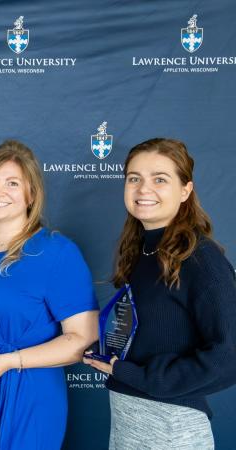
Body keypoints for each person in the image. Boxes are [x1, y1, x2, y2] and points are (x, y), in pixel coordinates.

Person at [0, 140, 98, 450]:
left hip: (27, 394)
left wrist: (11, 361)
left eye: (12, 183)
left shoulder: (56, 251)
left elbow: (83, 339)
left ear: (31, 194)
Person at [84, 138, 236, 449]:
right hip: (128, 427)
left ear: (185, 190)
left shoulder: (201, 258)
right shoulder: (141, 251)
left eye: (160, 179)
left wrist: (139, 376)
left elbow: (228, 354)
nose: (143, 189)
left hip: (171, 431)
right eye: (134, 178)